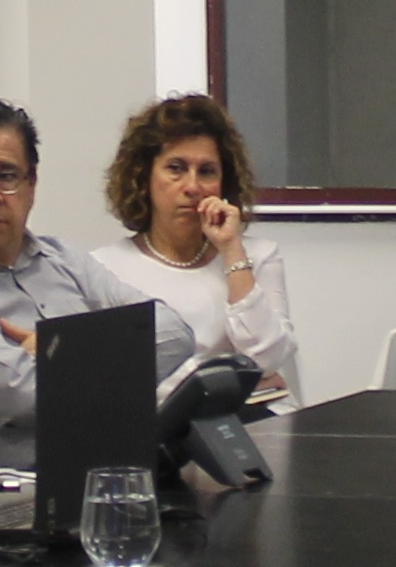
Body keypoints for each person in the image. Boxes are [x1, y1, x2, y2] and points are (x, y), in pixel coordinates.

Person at [0, 98, 190, 470]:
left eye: (6, 175)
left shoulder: (65, 258)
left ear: (31, 185)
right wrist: (113, 355)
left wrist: (54, 345)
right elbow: (13, 392)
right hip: (10, 499)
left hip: (117, 478)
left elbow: (175, 334)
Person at [92, 93, 300, 405]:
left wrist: (231, 250)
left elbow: (269, 357)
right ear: (144, 177)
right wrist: (231, 386)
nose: (192, 186)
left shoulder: (259, 255)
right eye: (175, 168)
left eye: (206, 171)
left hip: (258, 429)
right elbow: (117, 386)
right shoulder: (105, 268)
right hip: (162, 439)